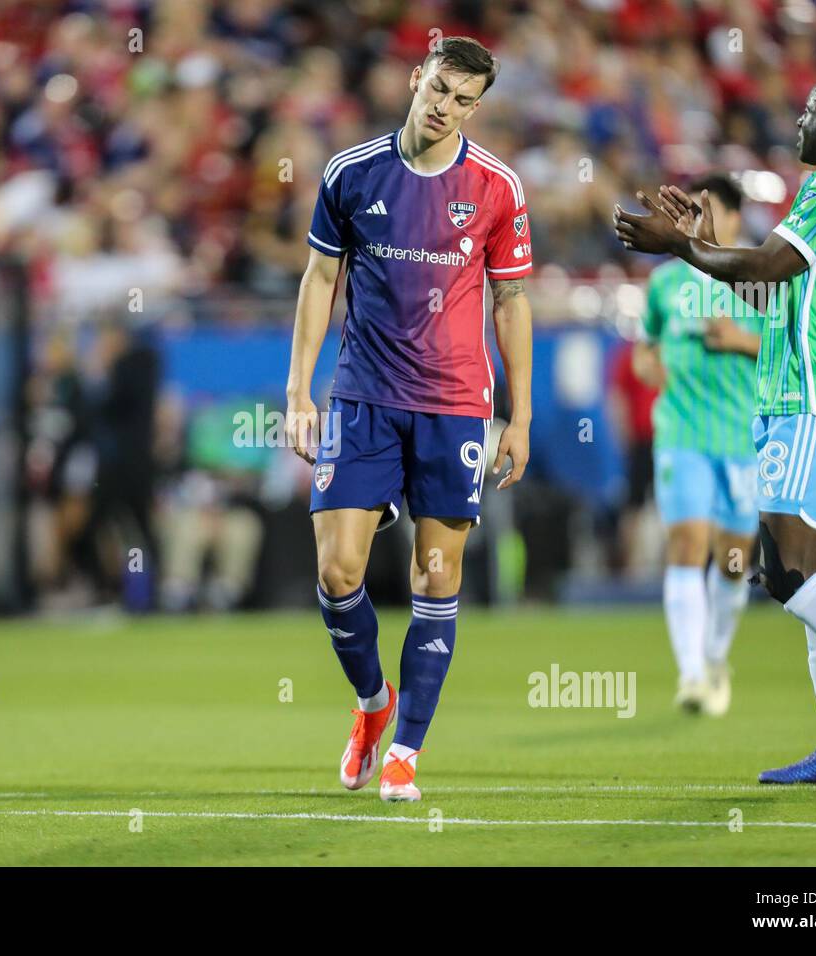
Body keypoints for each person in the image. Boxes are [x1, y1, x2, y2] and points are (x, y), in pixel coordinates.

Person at [615, 70, 816, 785]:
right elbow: (773, 280)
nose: (796, 124)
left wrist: (677, 248)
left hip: (811, 402)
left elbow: (767, 261)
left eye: (808, 112)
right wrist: (700, 244)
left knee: (785, 573)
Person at [285, 37, 533, 801]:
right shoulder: (351, 172)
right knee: (337, 569)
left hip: (455, 404)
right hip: (362, 395)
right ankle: (372, 703)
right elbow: (323, 274)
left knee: (437, 573)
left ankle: (406, 751)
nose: (445, 107)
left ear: (476, 106)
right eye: (438, 90)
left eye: (463, 100)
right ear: (415, 79)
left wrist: (519, 416)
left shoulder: (496, 187)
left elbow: (511, 299)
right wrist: (299, 392)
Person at [632, 173, 762, 716]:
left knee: (734, 561)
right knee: (686, 545)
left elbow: (796, 352)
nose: (695, 218)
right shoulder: (665, 283)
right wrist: (649, 366)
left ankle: (713, 659)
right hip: (682, 434)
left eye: (707, 209)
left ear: (733, 217)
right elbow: (644, 351)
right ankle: (689, 675)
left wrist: (740, 341)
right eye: (692, 208)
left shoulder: (759, 278)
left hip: (745, 439)